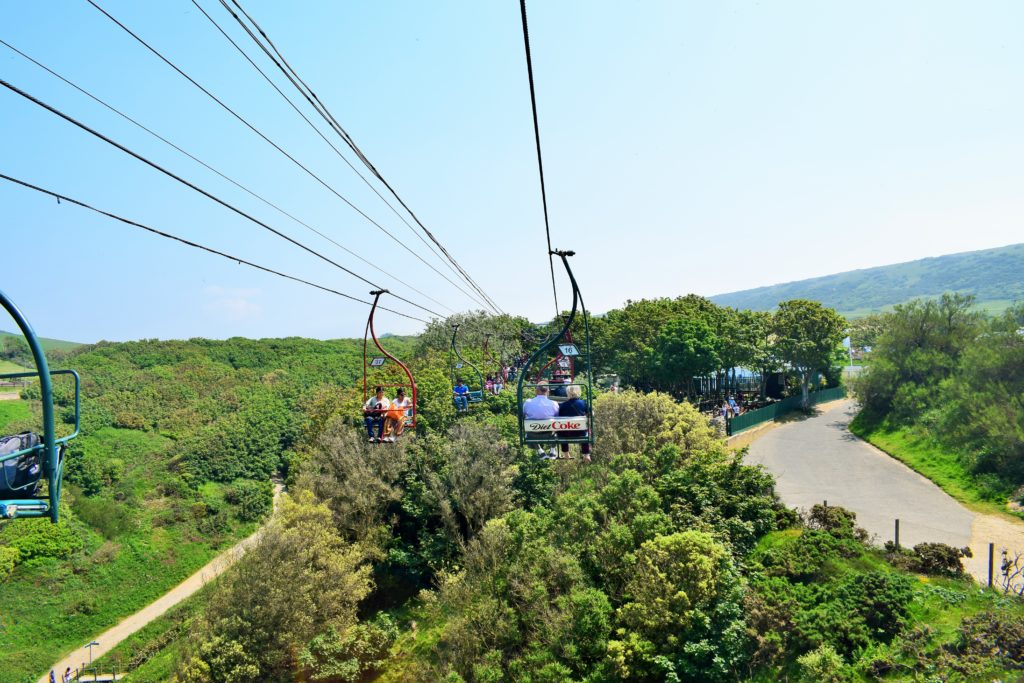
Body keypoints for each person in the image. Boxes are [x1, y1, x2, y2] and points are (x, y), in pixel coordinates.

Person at [523, 383, 559, 459]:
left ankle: (540, 451)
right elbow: (557, 416)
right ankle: (552, 450)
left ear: (536, 391)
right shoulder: (553, 403)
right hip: (549, 433)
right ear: (548, 391)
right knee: (557, 428)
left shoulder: (528, 402)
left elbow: (523, 414)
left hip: (533, 434)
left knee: (531, 429)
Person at [557, 384, 591, 462]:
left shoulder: (563, 405)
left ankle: (566, 453)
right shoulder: (583, 403)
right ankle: (586, 454)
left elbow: (559, 416)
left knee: (561, 429)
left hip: (566, 433)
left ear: (567, 393)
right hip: (580, 433)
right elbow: (591, 414)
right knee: (587, 430)